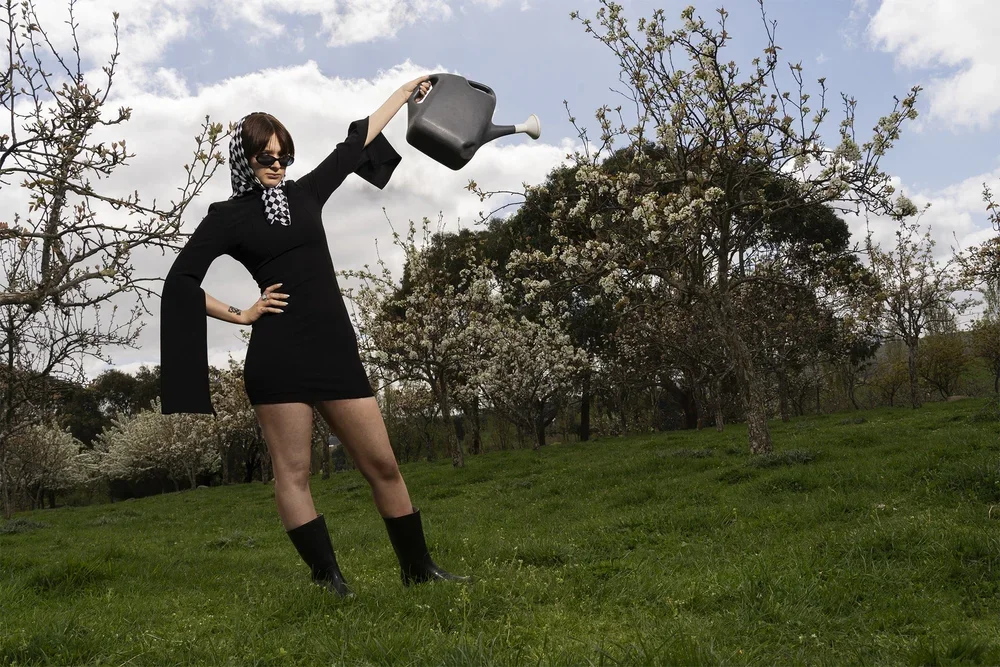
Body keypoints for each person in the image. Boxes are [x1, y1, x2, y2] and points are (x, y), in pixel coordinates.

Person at [159, 74, 467, 597]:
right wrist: (243, 313)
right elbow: (179, 283)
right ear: (245, 162)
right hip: (278, 360)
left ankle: (418, 569)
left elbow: (357, 142)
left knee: (384, 464)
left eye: (283, 155)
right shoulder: (227, 218)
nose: (276, 165)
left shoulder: (306, 195)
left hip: (335, 353)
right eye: (265, 158)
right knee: (294, 474)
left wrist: (406, 91)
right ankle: (330, 581)